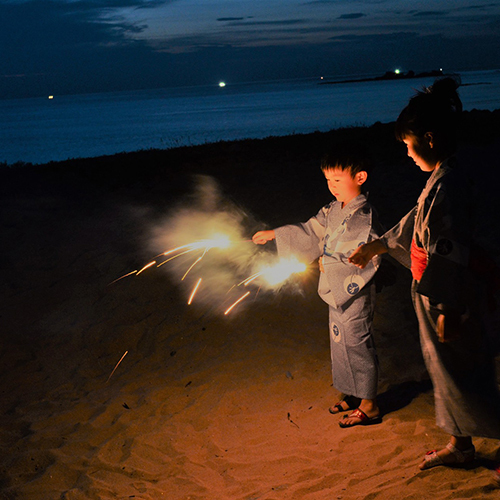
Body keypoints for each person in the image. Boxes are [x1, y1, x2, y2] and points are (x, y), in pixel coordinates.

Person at [349, 77, 500, 472]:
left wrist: (447, 307)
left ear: (429, 139)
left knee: (467, 369)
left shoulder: (450, 184)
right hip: (431, 295)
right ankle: (461, 444)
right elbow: (415, 222)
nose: (407, 155)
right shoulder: (439, 180)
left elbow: (448, 250)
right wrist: (378, 245)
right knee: (443, 369)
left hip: (452, 299)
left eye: (408, 146)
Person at [253, 143, 383, 427]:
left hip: (354, 289)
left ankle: (370, 404)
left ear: (360, 177)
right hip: (333, 289)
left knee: (357, 342)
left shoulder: (365, 215)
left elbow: (364, 251)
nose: (332, 187)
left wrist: (331, 263)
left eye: (337, 180)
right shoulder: (331, 210)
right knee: (339, 342)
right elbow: (310, 231)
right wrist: (275, 234)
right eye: (328, 180)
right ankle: (352, 394)